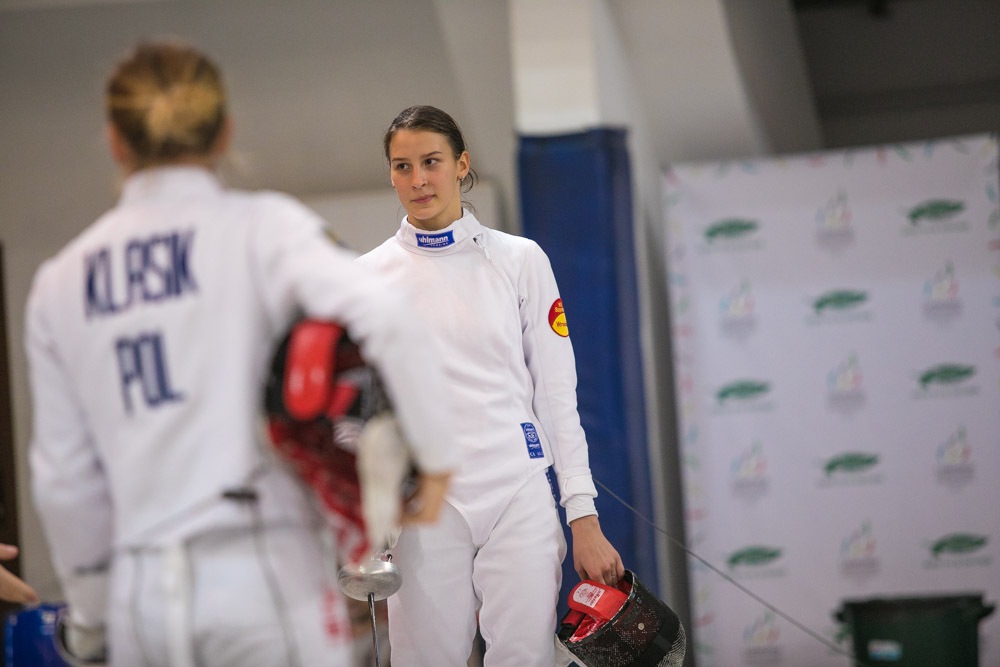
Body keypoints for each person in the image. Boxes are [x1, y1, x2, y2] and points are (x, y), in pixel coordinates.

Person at [24, 42, 455, 667]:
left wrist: (92, 618)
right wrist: (435, 466)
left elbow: (64, 481)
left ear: (115, 141)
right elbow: (388, 316)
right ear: (224, 133)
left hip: (139, 593)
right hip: (260, 573)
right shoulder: (263, 229)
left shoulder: (61, 281)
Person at [358, 105, 624, 666]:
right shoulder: (366, 278)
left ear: (461, 164)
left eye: (431, 162)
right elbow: (357, 413)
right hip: (424, 506)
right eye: (402, 167)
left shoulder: (520, 260)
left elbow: (556, 397)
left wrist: (584, 517)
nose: (418, 180)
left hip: (517, 489)